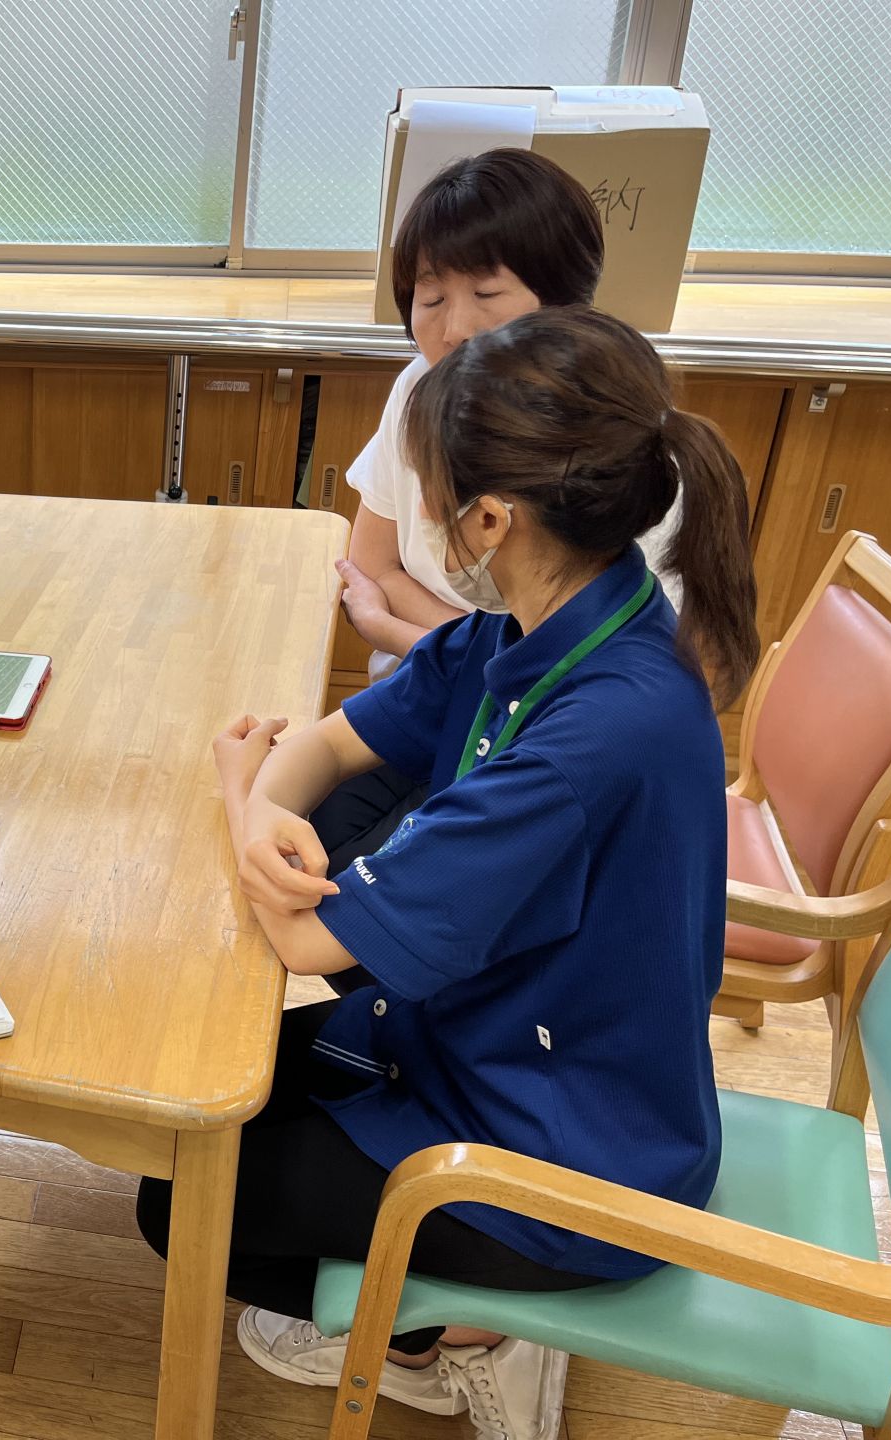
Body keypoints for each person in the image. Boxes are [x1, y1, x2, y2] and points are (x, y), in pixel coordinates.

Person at [138, 306, 758, 1440]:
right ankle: (456, 1315)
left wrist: (239, 792)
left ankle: (452, 1342)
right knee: (196, 1104)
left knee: (181, 1204)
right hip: (495, 1045)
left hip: (575, 1159)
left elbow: (306, 939)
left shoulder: (593, 737)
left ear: (489, 517)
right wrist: (269, 799)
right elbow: (331, 747)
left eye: (425, 487)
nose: (414, 513)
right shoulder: (539, 627)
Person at [315, 148, 684, 904]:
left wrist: (394, 630)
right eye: (429, 296)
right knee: (306, 830)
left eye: (487, 292)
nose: (454, 329)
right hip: (424, 709)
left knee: (340, 897)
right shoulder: (419, 391)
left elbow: (561, 678)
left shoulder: (604, 453)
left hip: (520, 748)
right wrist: (443, 651)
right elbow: (373, 566)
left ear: (564, 301)